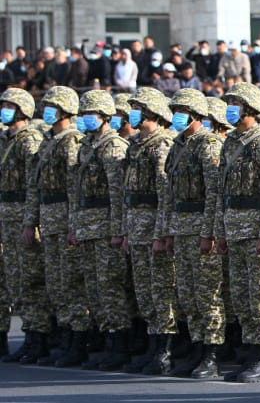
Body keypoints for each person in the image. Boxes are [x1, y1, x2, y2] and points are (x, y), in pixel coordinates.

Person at [215, 83, 260, 383]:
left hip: (258, 234)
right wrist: (220, 230)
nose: (230, 108)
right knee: (241, 296)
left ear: (250, 108)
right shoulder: (230, 143)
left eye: (236, 103)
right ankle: (250, 350)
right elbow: (222, 192)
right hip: (234, 231)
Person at [61, 90, 129, 368]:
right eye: (84, 113)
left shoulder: (113, 146)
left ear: (104, 116)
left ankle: (119, 344)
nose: (86, 118)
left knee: (110, 285)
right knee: (94, 287)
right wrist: (75, 226)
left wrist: (118, 230)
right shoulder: (87, 145)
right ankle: (104, 340)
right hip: (88, 225)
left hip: (105, 227)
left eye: (91, 113)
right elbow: (77, 192)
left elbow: (117, 194)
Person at [160, 89, 224, 380]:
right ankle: (197, 347)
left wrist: (208, 232)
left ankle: (211, 353)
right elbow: (170, 193)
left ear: (196, 114)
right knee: (187, 294)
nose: (177, 116)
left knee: (207, 293)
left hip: (200, 227)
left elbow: (214, 194)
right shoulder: (178, 145)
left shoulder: (208, 145)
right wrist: (169, 231)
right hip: (181, 227)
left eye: (182, 111)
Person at [22, 87, 82, 366]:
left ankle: (76, 340)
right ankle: (62, 337)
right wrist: (30, 222)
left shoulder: (71, 141)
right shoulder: (48, 141)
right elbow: (35, 187)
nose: (47, 111)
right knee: (56, 283)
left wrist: (73, 224)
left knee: (70, 282)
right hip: (48, 218)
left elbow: (73, 189)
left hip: (64, 217)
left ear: (65, 110)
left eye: (53, 106)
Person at [120, 88, 175, 375]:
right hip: (136, 226)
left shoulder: (161, 146)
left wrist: (161, 233)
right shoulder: (135, 145)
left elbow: (165, 195)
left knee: (160, 289)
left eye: (138, 109)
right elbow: (126, 193)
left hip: (154, 226)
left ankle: (164, 350)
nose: (133, 114)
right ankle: (152, 345)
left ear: (152, 112)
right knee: (144, 290)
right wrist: (126, 230)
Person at [0, 89, 45, 364]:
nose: (4, 109)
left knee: (28, 279)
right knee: (7, 279)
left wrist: (30, 222)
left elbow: (33, 187)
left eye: (9, 105)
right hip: (4, 215)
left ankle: (35, 337)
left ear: (22, 110)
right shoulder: (4, 139)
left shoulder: (29, 141)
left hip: (20, 216)